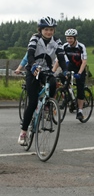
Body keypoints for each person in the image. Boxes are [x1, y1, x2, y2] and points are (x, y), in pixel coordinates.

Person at [18, 16, 67, 145]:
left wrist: (66, 70)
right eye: (46, 29)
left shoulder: (57, 41)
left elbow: (61, 57)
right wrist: (33, 64)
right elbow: (30, 53)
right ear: (40, 30)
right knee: (33, 102)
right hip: (33, 70)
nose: (49, 32)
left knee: (52, 83)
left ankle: (47, 106)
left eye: (51, 29)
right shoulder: (35, 38)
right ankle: (23, 132)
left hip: (46, 71)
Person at [57, 28, 88, 120]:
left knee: (80, 88)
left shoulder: (81, 46)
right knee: (61, 77)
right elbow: (59, 60)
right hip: (70, 67)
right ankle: (69, 96)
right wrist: (53, 70)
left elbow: (84, 61)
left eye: (71, 38)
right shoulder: (65, 46)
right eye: (67, 38)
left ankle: (80, 111)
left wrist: (79, 73)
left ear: (75, 38)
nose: (69, 40)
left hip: (80, 68)